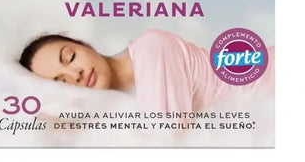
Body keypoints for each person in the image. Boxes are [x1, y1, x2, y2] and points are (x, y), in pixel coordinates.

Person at [19, 29, 274, 113]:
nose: (76, 75)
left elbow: (165, 141)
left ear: (85, 44)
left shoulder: (152, 48)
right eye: (62, 82)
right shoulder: (122, 104)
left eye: (70, 57)